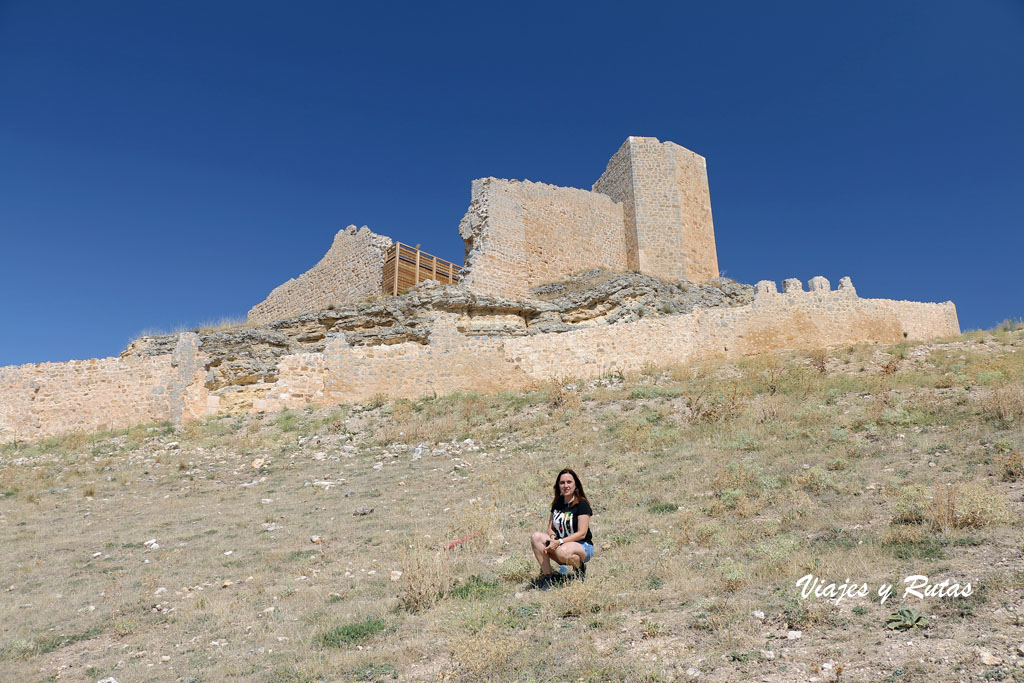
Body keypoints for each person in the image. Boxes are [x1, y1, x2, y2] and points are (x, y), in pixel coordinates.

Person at [529, 468, 594, 588]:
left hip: (583, 545)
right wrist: (553, 538)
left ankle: (579, 567)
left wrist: (559, 542)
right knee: (536, 537)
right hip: (560, 544)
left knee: (562, 551)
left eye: (569, 482)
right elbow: (551, 528)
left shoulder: (582, 504)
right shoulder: (557, 503)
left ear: (576, 485)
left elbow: (582, 533)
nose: (566, 485)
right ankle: (549, 578)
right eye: (562, 483)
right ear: (558, 486)